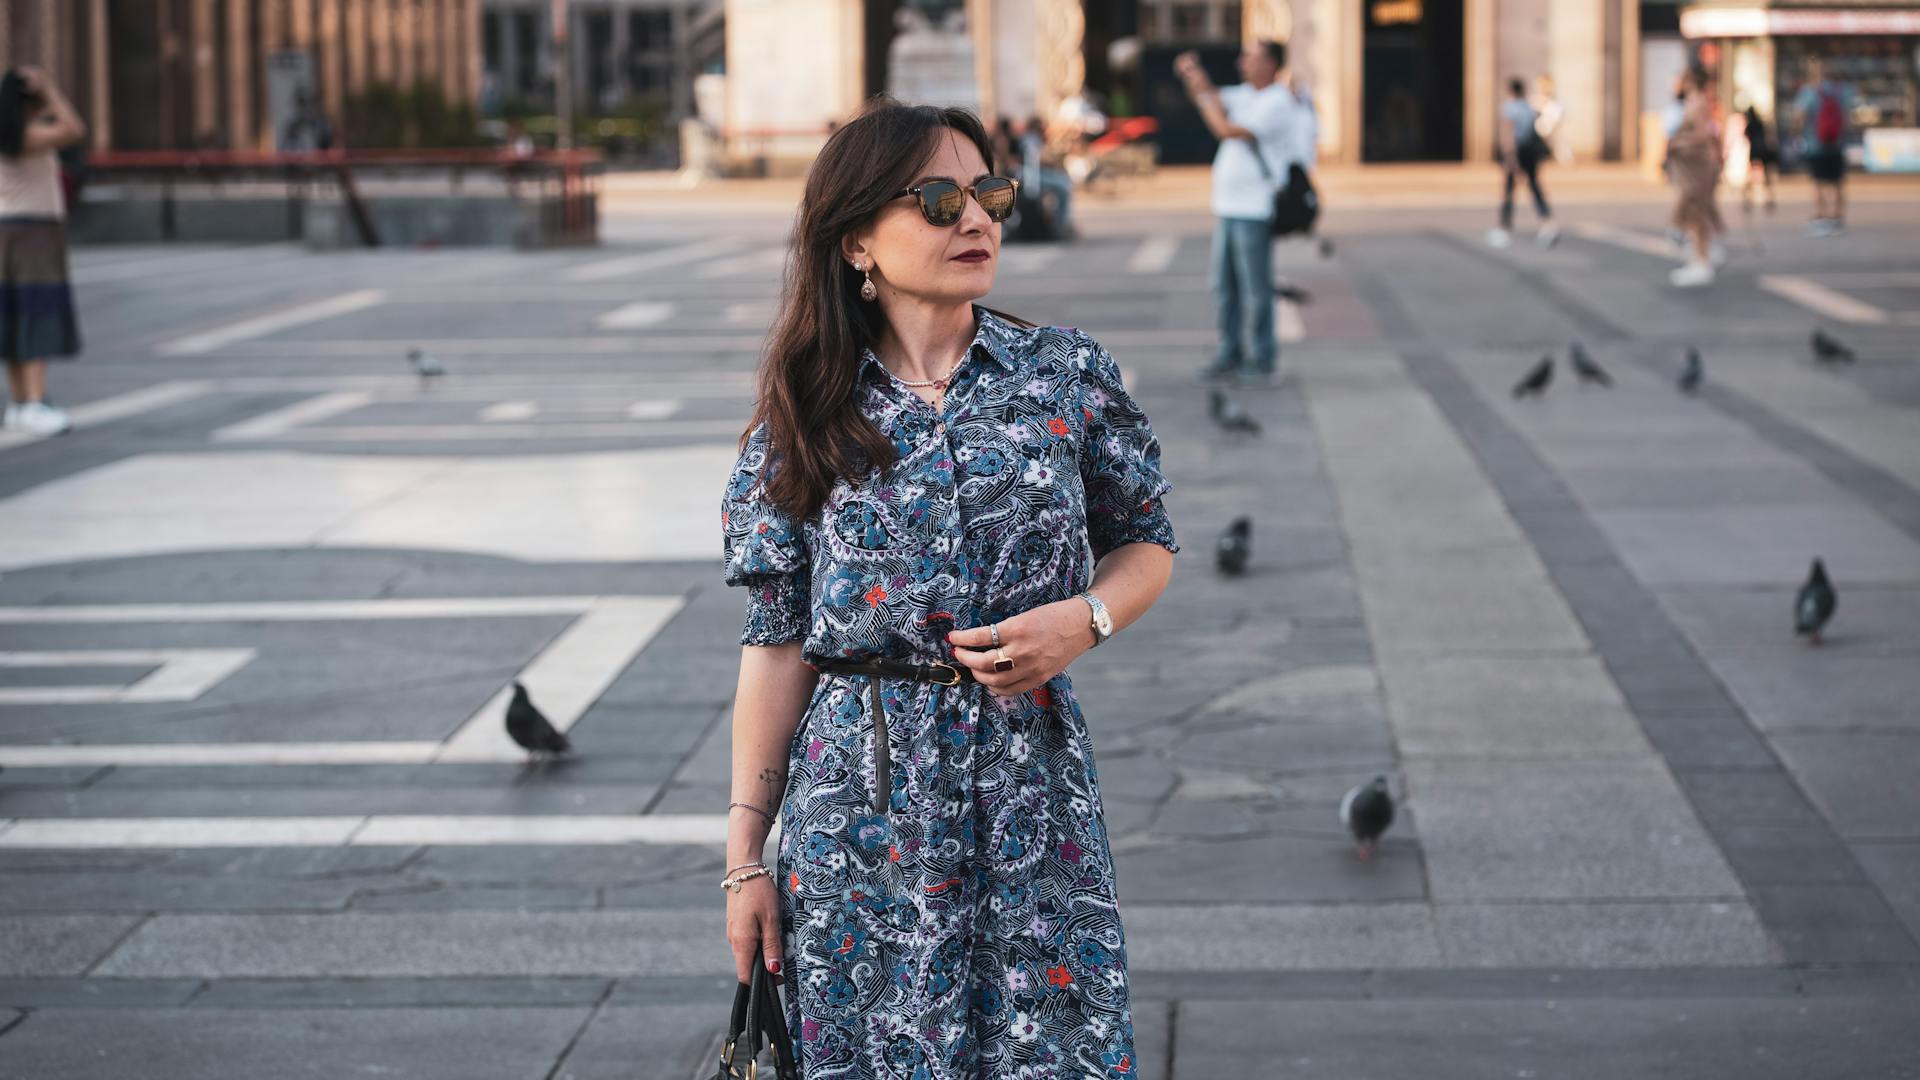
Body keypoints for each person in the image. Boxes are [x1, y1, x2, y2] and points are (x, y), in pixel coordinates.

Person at [719, 96, 1177, 1076]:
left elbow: (1147, 540)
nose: (976, 220)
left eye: (988, 193)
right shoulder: (805, 418)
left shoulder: (1062, 376)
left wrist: (1085, 619)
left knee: (1052, 1049)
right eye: (937, 199)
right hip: (861, 809)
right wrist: (747, 858)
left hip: (1032, 788)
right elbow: (776, 644)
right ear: (856, 245)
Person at [1174, 40, 1298, 385]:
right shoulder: (1247, 95)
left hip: (1254, 208)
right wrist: (1192, 74)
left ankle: (1262, 356)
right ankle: (1230, 352)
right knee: (1224, 287)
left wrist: (1204, 100)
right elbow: (1212, 94)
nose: (1242, 62)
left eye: (1251, 57)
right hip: (1229, 206)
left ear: (1271, 64)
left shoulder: (1277, 101)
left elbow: (1226, 129)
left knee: (1256, 290)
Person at [0, 66, 86, 436]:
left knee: (15, 316)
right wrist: (50, 89)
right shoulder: (28, 136)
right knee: (37, 313)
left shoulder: (12, 135)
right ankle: (34, 401)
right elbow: (74, 130)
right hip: (33, 232)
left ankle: (20, 403)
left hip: (6, 231)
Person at [1665, 68, 1726, 287]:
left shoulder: (1696, 102)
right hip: (1693, 164)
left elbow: (1702, 134)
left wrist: (1677, 143)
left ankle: (1701, 261)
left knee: (1696, 212)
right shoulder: (1696, 102)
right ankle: (1702, 256)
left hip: (1697, 166)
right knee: (1699, 211)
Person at [1489, 77, 1558, 249]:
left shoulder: (1509, 107)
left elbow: (1510, 133)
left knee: (1509, 190)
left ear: (1510, 91)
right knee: (1534, 186)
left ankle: (1505, 226)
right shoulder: (1528, 107)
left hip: (1517, 152)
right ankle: (1546, 220)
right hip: (1530, 153)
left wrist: (1510, 157)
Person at [1794, 58, 1850, 235]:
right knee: (1837, 183)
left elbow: (1799, 116)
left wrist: (1796, 133)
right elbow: (1847, 119)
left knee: (1818, 182)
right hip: (1837, 143)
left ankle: (1821, 216)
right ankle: (1837, 217)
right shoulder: (1840, 92)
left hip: (1815, 143)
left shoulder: (1809, 92)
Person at [1741, 105, 1777, 212]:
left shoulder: (1749, 125)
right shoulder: (1760, 123)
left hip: (1754, 152)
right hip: (1763, 151)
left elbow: (1746, 136)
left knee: (1751, 175)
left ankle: (1748, 199)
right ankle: (1769, 198)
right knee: (1766, 175)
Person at [1531, 74, 1570, 165]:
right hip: (1542, 122)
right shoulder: (1537, 97)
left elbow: (1557, 111)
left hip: (1549, 120)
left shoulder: (1552, 99)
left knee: (1557, 141)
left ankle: (1565, 159)